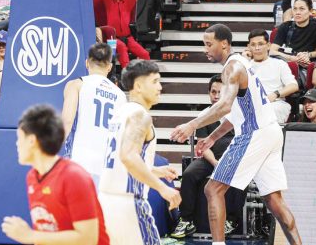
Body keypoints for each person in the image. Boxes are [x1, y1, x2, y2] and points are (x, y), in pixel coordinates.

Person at [170, 24, 302, 245]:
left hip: (255, 134)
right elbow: (234, 113)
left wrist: (192, 124)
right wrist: (212, 137)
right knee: (273, 199)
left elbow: (223, 106)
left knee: (212, 189)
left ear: (224, 43)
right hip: (271, 132)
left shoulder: (232, 68)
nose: (206, 49)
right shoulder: (243, 65)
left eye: (209, 44)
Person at [1, 104, 110, 245]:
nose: (16, 144)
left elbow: (88, 239)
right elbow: (46, 234)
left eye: (19, 138)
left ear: (32, 140)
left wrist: (31, 236)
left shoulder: (74, 177)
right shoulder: (32, 176)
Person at [98, 60, 180, 244]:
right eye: (155, 81)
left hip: (107, 200)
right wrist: (163, 188)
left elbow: (123, 159)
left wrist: (156, 171)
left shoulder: (121, 112)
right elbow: (128, 156)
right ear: (138, 86)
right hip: (128, 203)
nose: (160, 87)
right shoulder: (140, 115)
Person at [170, 75, 239, 239]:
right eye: (213, 92)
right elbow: (202, 145)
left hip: (233, 157)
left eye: (219, 92)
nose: (215, 96)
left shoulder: (237, 113)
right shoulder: (204, 115)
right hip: (211, 157)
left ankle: (232, 220)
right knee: (189, 174)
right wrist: (215, 162)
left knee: (239, 174)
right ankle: (186, 219)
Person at [61, 43, 127, 185]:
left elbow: (67, 121)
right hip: (107, 166)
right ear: (109, 67)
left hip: (80, 161)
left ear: (86, 63)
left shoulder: (77, 84)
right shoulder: (120, 95)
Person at [244, 29, 299, 124]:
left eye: (260, 44)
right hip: (251, 104)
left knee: (269, 112)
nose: (257, 48)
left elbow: (293, 86)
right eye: (253, 45)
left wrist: (275, 94)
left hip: (275, 103)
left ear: (268, 45)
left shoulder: (279, 64)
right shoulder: (245, 65)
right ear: (248, 47)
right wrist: (244, 62)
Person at [270, 0, 316, 72]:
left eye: (301, 9)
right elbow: (272, 51)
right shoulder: (285, 26)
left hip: (307, 66)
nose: (297, 12)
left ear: (310, 11)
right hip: (286, 64)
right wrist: (291, 58)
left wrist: (308, 55)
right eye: (295, 9)